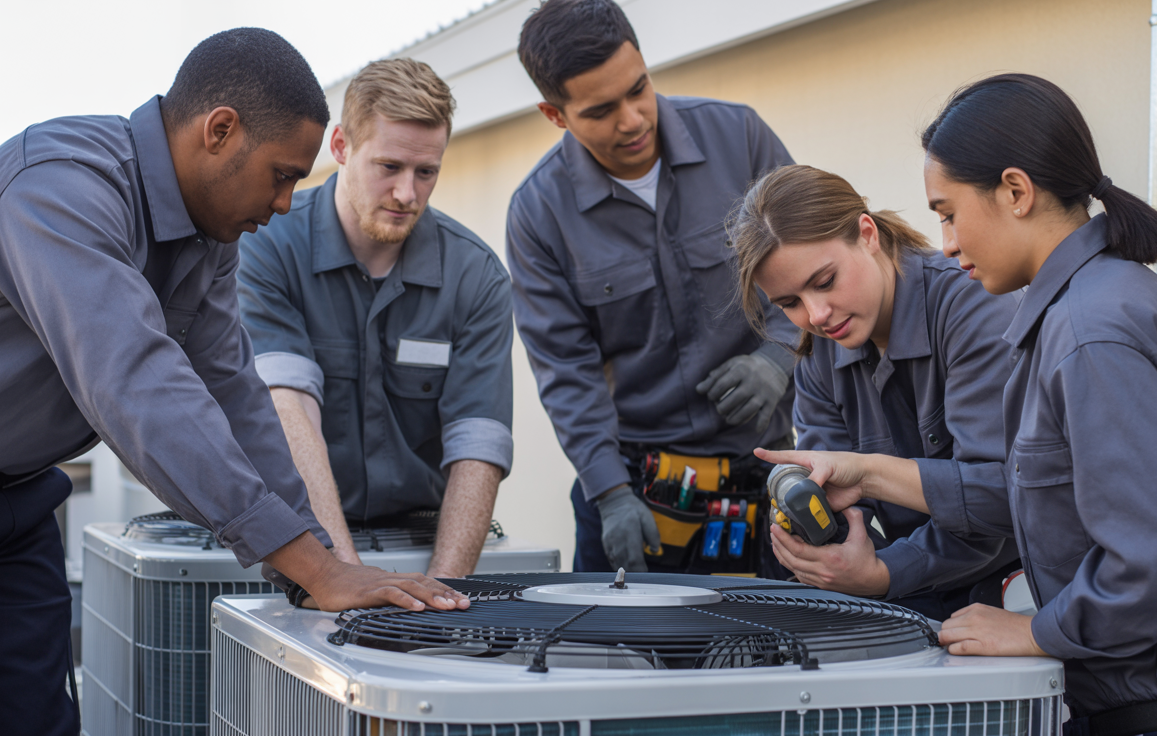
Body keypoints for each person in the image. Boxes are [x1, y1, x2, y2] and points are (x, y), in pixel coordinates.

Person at [762, 73, 1157, 734]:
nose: (945, 242)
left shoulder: (1091, 333)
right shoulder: (1093, 305)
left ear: (1015, 191)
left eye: (948, 212)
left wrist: (1037, 629)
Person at [0, 29, 467, 736]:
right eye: (281, 175)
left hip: (19, 502)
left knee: (37, 719)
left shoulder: (210, 235)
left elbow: (233, 391)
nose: (285, 204)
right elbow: (138, 386)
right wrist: (314, 565)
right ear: (219, 131)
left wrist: (318, 562)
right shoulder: (58, 186)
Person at [507, 0, 798, 575]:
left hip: (763, 468)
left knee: (774, 657)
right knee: (621, 661)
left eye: (639, 88)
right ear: (555, 114)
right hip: (633, 491)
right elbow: (567, 372)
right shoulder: (538, 213)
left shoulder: (740, 137)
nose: (634, 119)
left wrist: (780, 353)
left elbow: (814, 261)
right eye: (601, 109)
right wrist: (610, 494)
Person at [238, 59, 512, 579]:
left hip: (423, 540)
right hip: (300, 543)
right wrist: (344, 576)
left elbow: (477, 444)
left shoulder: (477, 278)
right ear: (341, 147)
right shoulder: (267, 247)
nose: (408, 194)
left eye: (426, 172)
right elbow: (288, 407)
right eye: (389, 167)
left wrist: (441, 595)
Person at [730, 164, 1019, 620]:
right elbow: (836, 505)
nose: (817, 315)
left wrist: (884, 566)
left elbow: (1001, 500)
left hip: (1019, 596)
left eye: (824, 281)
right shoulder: (819, 354)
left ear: (867, 233)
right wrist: (822, 547)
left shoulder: (973, 308)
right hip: (909, 593)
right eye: (789, 303)